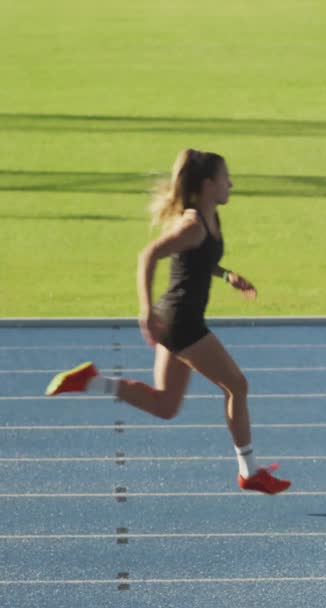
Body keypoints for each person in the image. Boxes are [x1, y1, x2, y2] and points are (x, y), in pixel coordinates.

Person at [44, 149, 290, 494]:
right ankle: (249, 472)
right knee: (237, 386)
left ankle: (90, 382)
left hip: (174, 319)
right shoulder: (192, 224)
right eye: (224, 179)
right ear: (208, 185)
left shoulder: (209, 219)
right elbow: (148, 256)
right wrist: (145, 310)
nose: (230, 184)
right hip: (181, 323)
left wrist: (225, 275)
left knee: (165, 405)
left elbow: (197, 259)